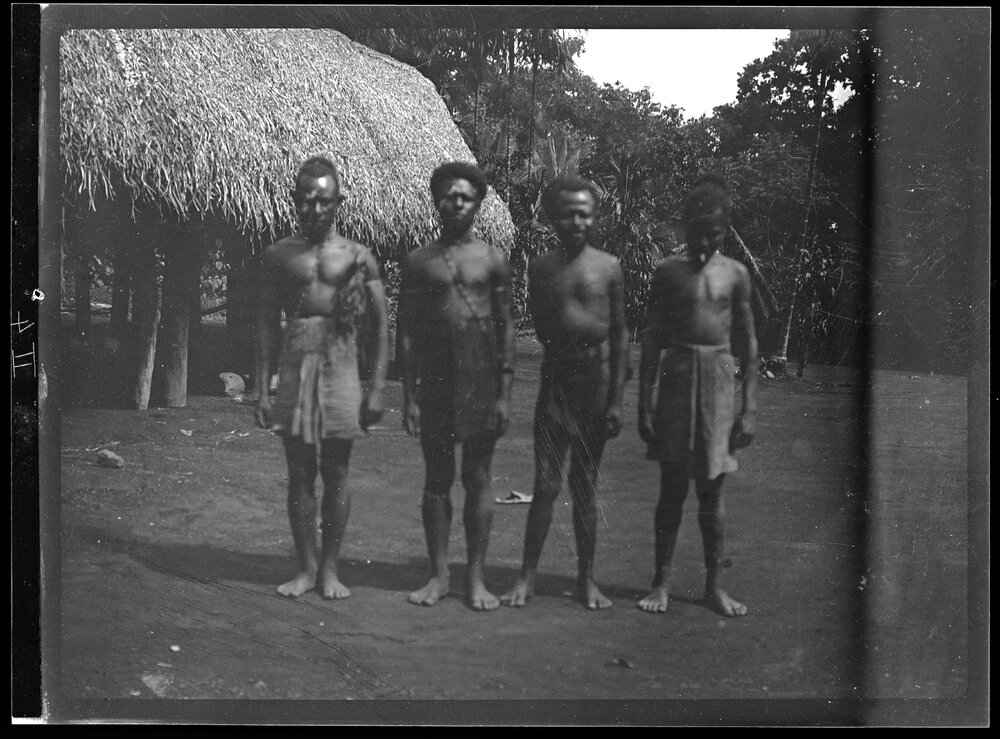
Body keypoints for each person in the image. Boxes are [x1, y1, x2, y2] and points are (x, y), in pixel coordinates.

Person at [254, 156, 389, 600]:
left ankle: (331, 569)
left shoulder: (358, 257)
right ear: (295, 201)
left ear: (339, 202)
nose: (314, 210)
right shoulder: (277, 255)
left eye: (324, 201)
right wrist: (261, 388)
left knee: (337, 470)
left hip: (341, 364)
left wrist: (377, 388)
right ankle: (306, 568)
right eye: (306, 201)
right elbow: (264, 325)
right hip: (296, 362)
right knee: (298, 472)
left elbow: (381, 326)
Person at [501, 176, 628, 610]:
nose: (575, 221)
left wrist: (614, 400)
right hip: (557, 384)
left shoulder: (609, 267)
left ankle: (586, 580)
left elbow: (619, 334)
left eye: (584, 213)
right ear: (554, 218)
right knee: (546, 482)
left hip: (595, 385)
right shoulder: (541, 267)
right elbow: (543, 324)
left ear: (595, 217)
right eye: (567, 213)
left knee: (586, 485)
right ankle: (526, 576)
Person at [637, 174, 758, 617]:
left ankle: (715, 586)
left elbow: (748, 343)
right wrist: (643, 403)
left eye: (714, 234)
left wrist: (750, 407)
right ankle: (660, 582)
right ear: (684, 228)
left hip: (720, 380)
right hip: (676, 376)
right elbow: (651, 339)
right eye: (696, 233)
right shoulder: (668, 272)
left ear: (725, 232)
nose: (704, 242)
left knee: (713, 492)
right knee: (671, 489)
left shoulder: (735, 274)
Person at [399, 161, 514, 611]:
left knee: (479, 477)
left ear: (478, 203)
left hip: (481, 379)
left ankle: (477, 578)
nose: (456, 204)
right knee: (437, 478)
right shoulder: (418, 261)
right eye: (448, 196)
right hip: (437, 381)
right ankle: (439, 575)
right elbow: (407, 333)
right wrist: (409, 396)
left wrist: (504, 393)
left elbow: (506, 327)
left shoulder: (493, 260)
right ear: (436, 201)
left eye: (465, 197)